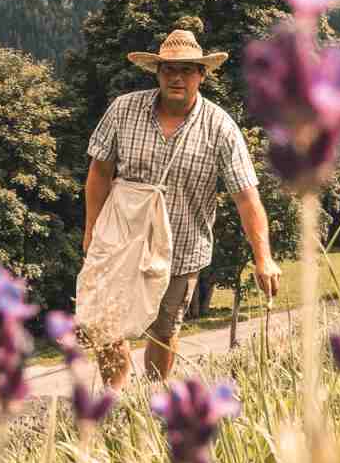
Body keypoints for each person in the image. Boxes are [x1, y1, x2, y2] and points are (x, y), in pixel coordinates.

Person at [80, 28, 280, 385]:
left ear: (202, 75)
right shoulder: (123, 110)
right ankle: (115, 399)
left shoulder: (220, 127)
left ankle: (154, 397)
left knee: (164, 328)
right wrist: (92, 230)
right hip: (120, 242)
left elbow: (247, 197)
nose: (176, 77)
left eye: (187, 70)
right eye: (169, 69)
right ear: (156, 72)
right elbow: (99, 171)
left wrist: (263, 256)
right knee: (106, 327)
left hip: (181, 250)